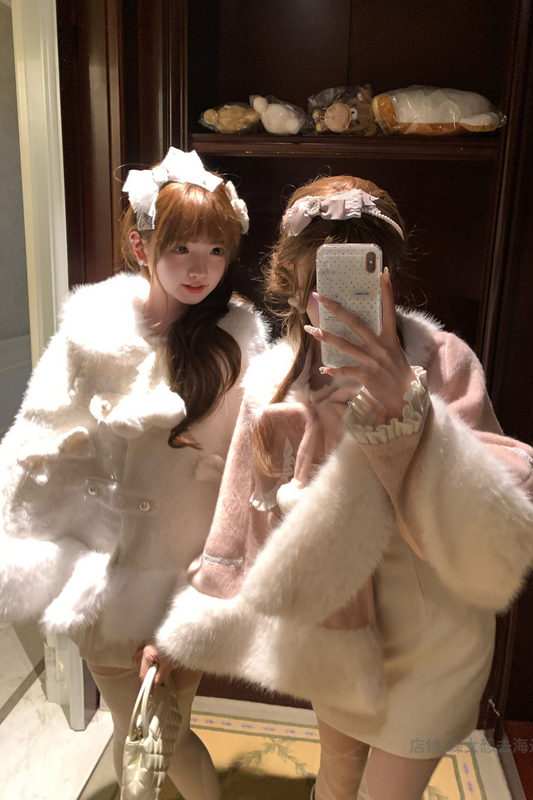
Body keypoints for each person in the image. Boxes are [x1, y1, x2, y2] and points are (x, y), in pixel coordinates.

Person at [154, 175, 533, 799]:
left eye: (363, 274)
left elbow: (505, 516)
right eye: (322, 282)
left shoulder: (445, 360)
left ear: (388, 277)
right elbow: (238, 523)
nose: (340, 300)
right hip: (335, 635)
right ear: (292, 281)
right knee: (334, 777)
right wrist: (182, 635)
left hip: (437, 635)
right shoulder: (274, 383)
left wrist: (411, 409)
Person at [0, 147, 268, 799]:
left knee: (167, 732)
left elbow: (247, 469)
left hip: (188, 574)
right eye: (181, 248)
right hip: (106, 570)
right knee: (135, 731)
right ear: (140, 244)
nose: (199, 268)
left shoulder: (238, 343)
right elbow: (39, 438)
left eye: (215, 250)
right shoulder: (91, 337)